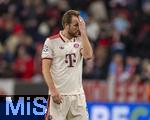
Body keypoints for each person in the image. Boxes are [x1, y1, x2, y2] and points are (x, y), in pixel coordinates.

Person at [41, 10, 93, 120]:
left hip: (78, 97)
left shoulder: (80, 40)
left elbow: (88, 56)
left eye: (80, 25)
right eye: (75, 25)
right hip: (59, 96)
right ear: (66, 25)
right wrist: (53, 90)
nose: (78, 28)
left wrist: (83, 32)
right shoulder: (51, 42)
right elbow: (45, 69)